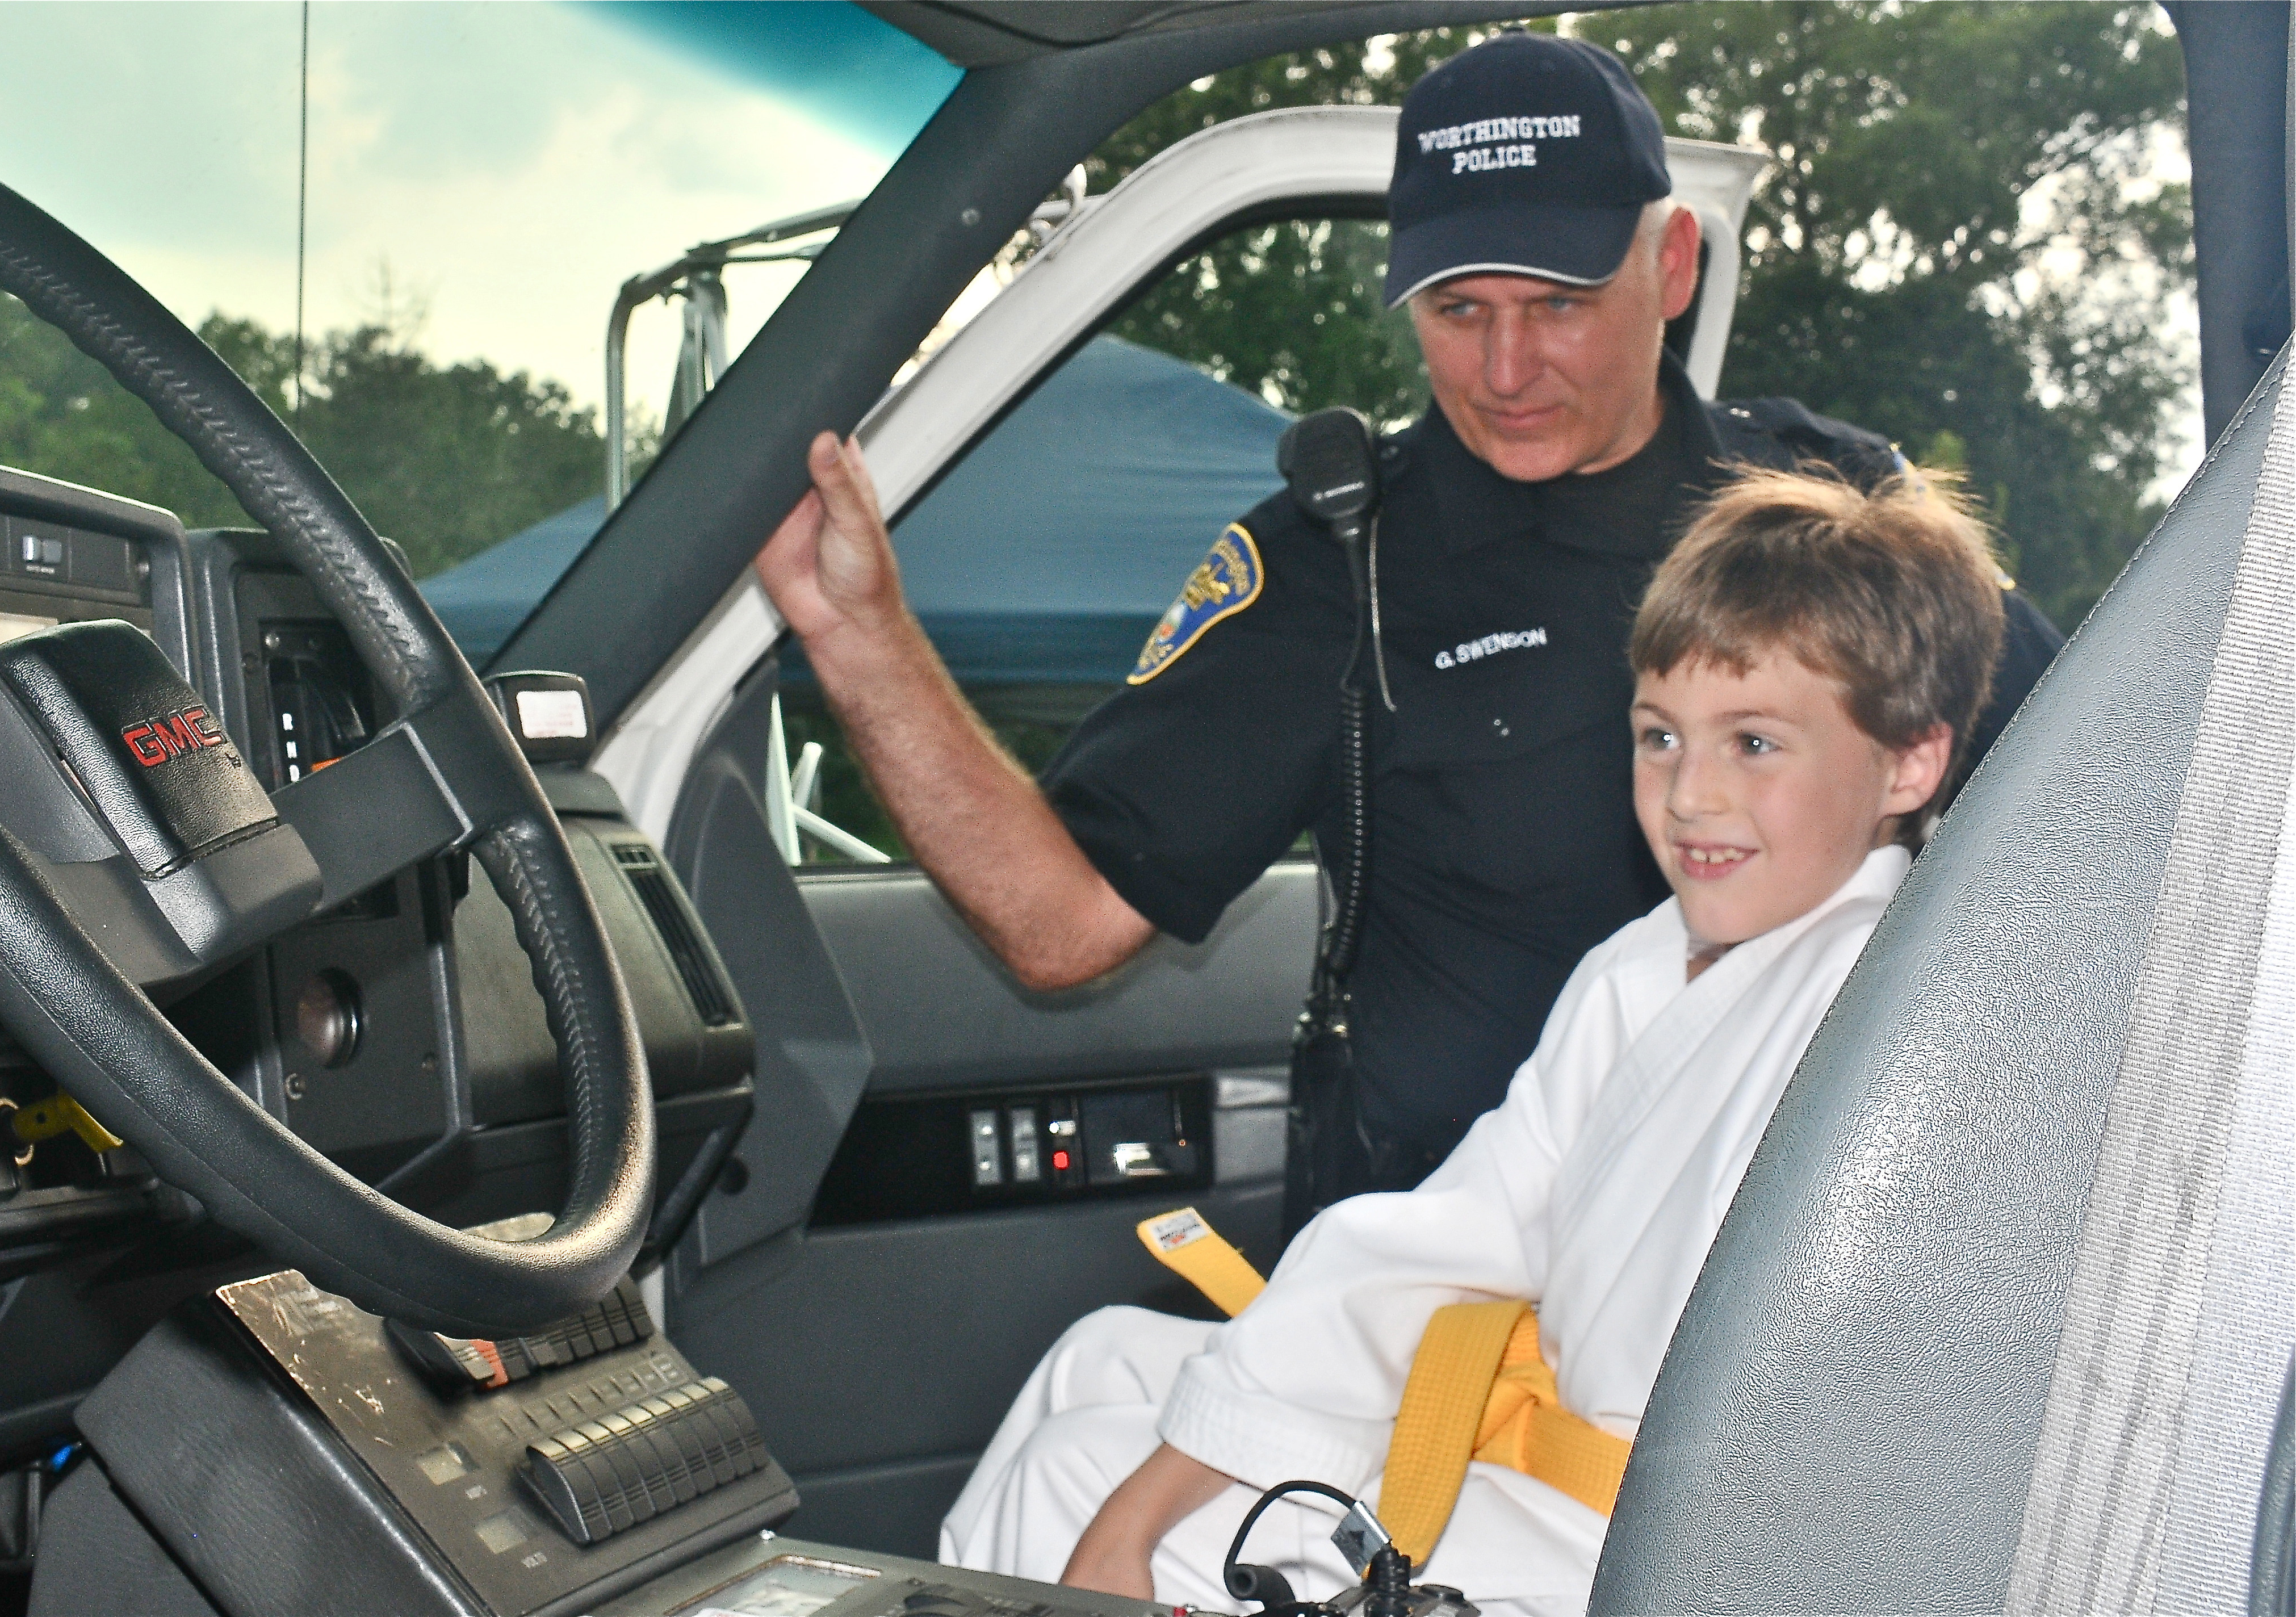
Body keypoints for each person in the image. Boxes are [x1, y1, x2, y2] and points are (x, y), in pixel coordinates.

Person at [755, 32, 2062, 1206]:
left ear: (1669, 264)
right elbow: (1062, 919)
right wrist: (857, 638)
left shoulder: (1832, 511)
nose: (1504, 370)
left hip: (1789, 1241)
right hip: (1448, 1282)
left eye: (1556, 305)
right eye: (1456, 310)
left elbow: (2086, 792)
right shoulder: (1340, 557)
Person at [933, 466, 2011, 1617]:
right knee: (1095, 1359)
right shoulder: (1645, 967)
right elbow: (1446, 1241)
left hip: (1666, 1554)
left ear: (1909, 762)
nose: (1689, 794)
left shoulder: (1884, 1010)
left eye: (1752, 742)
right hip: (1559, 1472)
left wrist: (1135, 1514)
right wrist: (1165, 1481)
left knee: (1072, 1480)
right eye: (1658, 736)